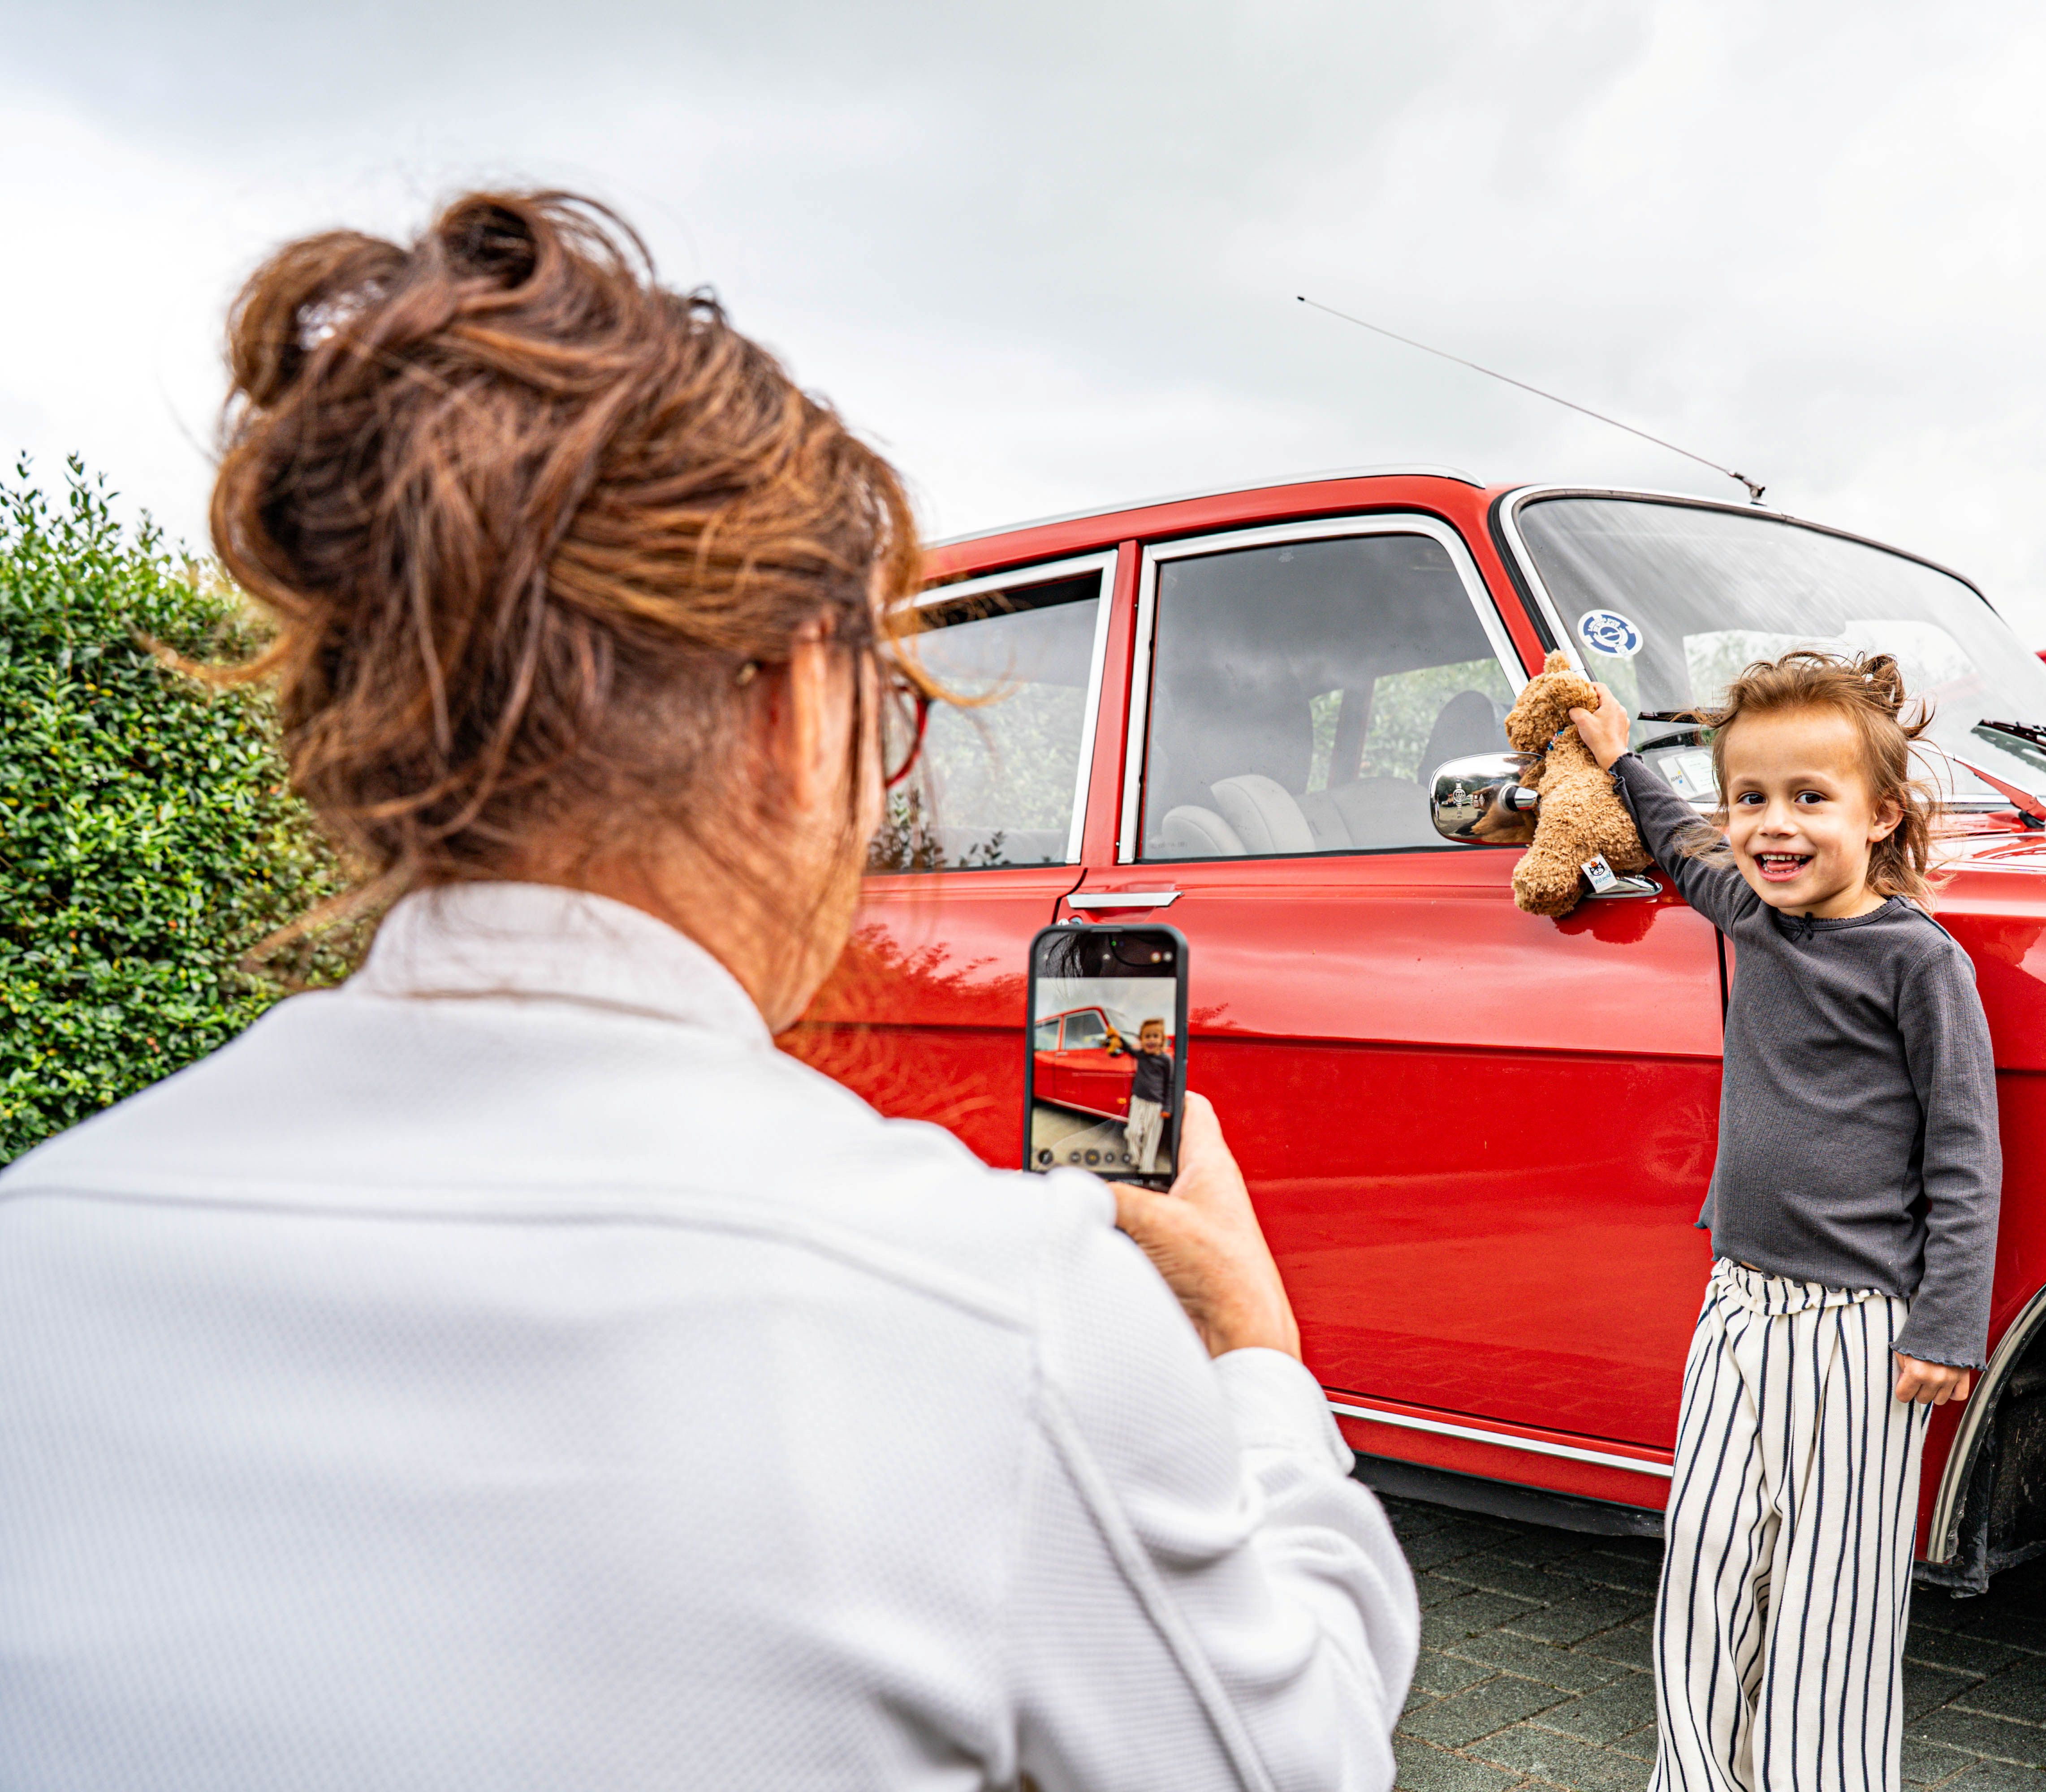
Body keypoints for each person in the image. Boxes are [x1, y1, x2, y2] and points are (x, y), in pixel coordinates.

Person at [0, 192, 1415, 1790]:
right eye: (891, 714)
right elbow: (1301, 1760)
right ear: (805, 705)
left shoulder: (40, 1245)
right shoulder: (1008, 1323)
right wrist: (1253, 1351)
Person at [1570, 653, 2000, 1792]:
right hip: (1738, 1305)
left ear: (1881, 814)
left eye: (1811, 797)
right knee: (1705, 1556)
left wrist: (1948, 1324)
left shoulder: (1920, 961)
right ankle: (1696, 1776)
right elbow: (1678, 844)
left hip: (1863, 1331)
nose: (1773, 824)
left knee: (1831, 1594)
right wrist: (1620, 756)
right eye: (1750, 797)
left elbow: (1965, 1152)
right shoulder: (1751, 915)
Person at [1107, 1017, 1176, 1173]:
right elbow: (1127, 1047)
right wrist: (1117, 1036)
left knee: (1151, 1139)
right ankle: (1135, 1158)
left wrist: (1167, 1107)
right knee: (1132, 1132)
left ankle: (1146, 1168)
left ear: (1162, 1040)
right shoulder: (1141, 1055)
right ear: (1142, 1040)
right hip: (1138, 1101)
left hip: (1156, 1106)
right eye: (1147, 1036)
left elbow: (1170, 1085)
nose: (1151, 1040)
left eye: (1155, 1036)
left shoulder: (1166, 1061)